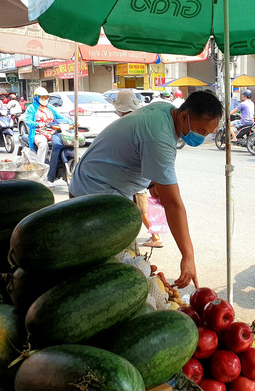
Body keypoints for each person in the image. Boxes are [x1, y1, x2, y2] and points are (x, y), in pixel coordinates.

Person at [69, 90, 223, 289]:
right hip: (94, 193)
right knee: (120, 271)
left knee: (123, 263)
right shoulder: (159, 137)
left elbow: (136, 148)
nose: (203, 138)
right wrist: (188, 256)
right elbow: (173, 204)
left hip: (96, 184)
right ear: (184, 116)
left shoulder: (165, 110)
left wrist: (151, 182)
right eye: (202, 131)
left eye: (209, 134)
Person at [111, 89, 164, 248]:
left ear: (119, 109)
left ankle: (155, 237)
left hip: (132, 179)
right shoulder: (139, 123)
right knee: (140, 210)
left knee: (140, 210)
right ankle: (151, 237)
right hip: (139, 178)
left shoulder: (122, 126)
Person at [24, 87, 71, 165]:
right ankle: (40, 166)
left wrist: (72, 122)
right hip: (38, 133)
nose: (45, 99)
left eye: (46, 97)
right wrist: (38, 124)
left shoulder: (50, 107)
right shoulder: (31, 108)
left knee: (65, 142)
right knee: (43, 144)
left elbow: (60, 117)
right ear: (37, 98)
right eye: (42, 97)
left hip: (53, 132)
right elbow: (28, 121)